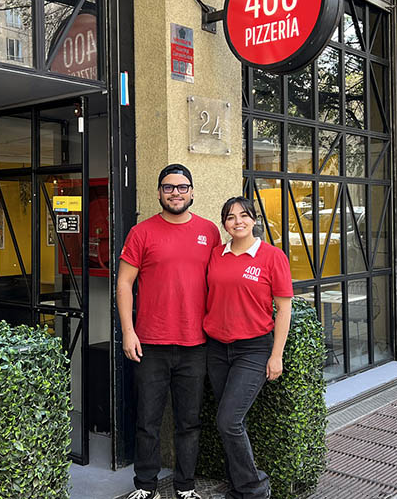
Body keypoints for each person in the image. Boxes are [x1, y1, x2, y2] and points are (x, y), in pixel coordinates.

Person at [118, 164, 221, 499]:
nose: (175, 192)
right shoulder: (141, 232)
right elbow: (124, 284)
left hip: (196, 344)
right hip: (150, 343)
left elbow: (223, 281)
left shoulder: (210, 232)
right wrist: (128, 331)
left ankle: (185, 486)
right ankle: (145, 486)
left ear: (192, 191)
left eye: (182, 187)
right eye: (168, 187)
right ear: (158, 192)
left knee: (188, 422)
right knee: (147, 420)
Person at [203, 196, 293, 499]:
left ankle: (255, 490)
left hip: (253, 350)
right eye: (230, 217)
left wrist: (276, 355)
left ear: (253, 220)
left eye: (243, 215)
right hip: (216, 349)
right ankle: (239, 488)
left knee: (228, 421)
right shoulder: (216, 255)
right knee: (231, 422)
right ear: (224, 224)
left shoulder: (271, 256)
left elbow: (284, 308)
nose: (237, 221)